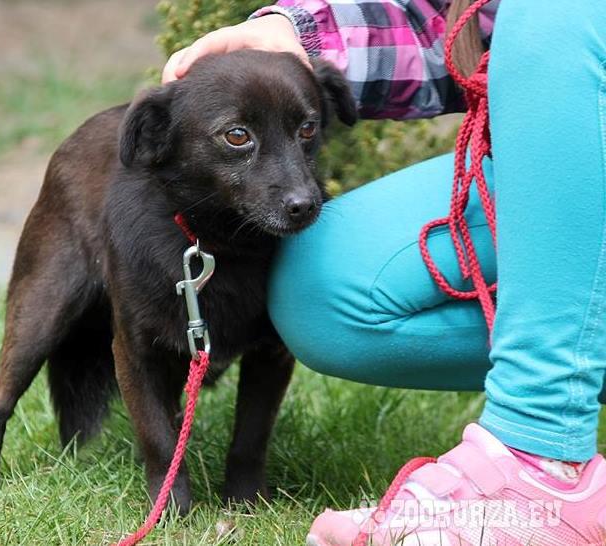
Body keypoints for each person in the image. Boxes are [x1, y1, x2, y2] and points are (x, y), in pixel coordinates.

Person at [163, 1, 606, 544]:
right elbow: (459, 26)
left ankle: (541, 460)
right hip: (569, 155)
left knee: (553, 12)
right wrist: (298, 38)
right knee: (323, 294)